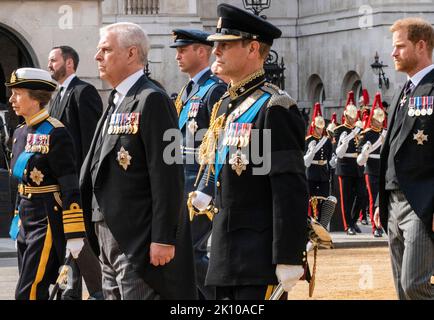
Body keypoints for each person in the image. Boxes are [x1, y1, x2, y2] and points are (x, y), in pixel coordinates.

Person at [191, 4, 308, 300]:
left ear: (253, 48)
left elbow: (289, 187)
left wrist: (289, 255)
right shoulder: (225, 106)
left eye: (225, 44)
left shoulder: (275, 107)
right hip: (224, 252)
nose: (215, 50)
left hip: (258, 257)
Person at [80, 22, 196, 300]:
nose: (97, 56)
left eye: (106, 50)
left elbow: (167, 175)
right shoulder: (117, 99)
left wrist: (164, 237)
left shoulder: (152, 99)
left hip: (138, 238)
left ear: (132, 53)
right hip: (106, 231)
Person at [6, 68, 86, 299]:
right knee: (30, 285)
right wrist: (16, 218)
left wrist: (74, 233)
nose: (12, 99)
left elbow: (70, 186)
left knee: (29, 290)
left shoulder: (56, 132)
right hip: (25, 218)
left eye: (18, 93)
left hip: (46, 219)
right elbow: (20, 182)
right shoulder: (19, 132)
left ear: (37, 97)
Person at [374, 17, 434, 300]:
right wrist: (380, 200)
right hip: (393, 202)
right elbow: (391, 149)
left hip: (422, 204)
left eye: (400, 46)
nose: (393, 53)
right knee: (402, 289)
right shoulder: (404, 91)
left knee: (415, 284)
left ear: (421, 46)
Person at [170, 29, 226, 300]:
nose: (178, 55)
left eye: (183, 49)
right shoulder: (190, 89)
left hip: (200, 186)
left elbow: (220, 143)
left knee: (190, 253)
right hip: (183, 182)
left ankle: (223, 299)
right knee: (183, 254)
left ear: (201, 51)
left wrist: (208, 187)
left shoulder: (214, 90)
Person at [47, 45, 103, 300]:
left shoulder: (84, 92)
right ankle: (72, 291)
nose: (49, 65)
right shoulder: (57, 96)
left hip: (79, 187)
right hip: (62, 187)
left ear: (69, 63)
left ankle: (97, 292)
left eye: (53, 60)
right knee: (72, 243)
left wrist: (86, 184)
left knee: (81, 242)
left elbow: (92, 144)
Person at [333, 91, 364, 235]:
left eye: (354, 117)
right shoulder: (339, 130)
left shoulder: (359, 129)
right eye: (350, 117)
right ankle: (348, 225)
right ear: (345, 116)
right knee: (346, 198)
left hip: (357, 165)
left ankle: (354, 219)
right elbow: (338, 152)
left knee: (361, 195)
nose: (352, 120)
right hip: (345, 165)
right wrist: (344, 142)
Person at [357, 92, 386, 237]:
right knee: (372, 197)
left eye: (382, 119)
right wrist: (365, 152)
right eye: (377, 119)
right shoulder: (366, 134)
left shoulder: (385, 133)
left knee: (384, 198)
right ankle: (375, 227)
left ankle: (384, 224)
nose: (380, 122)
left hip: (384, 169)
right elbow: (360, 160)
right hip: (371, 168)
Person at [304, 103, 333, 199]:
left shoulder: (326, 141)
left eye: (322, 128)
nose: (320, 130)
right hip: (312, 173)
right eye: (318, 128)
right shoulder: (308, 140)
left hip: (323, 173)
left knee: (323, 199)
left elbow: (329, 158)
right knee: (311, 199)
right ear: (313, 126)